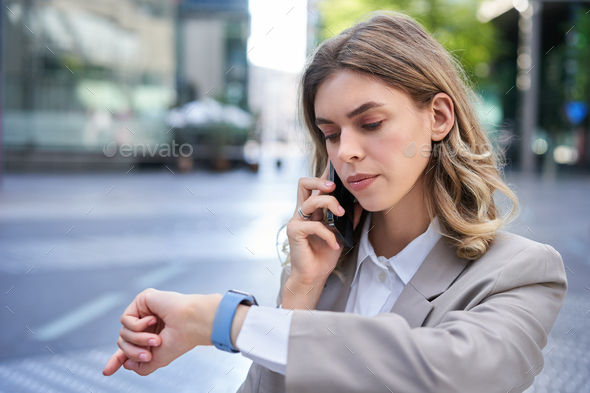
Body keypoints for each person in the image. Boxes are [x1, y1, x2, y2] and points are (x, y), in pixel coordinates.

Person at [102, 11, 568, 393]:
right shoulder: (323, 264)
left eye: (369, 124)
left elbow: (452, 372)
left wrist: (221, 321)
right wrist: (300, 290)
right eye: (330, 133)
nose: (345, 151)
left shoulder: (519, 273)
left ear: (439, 117)